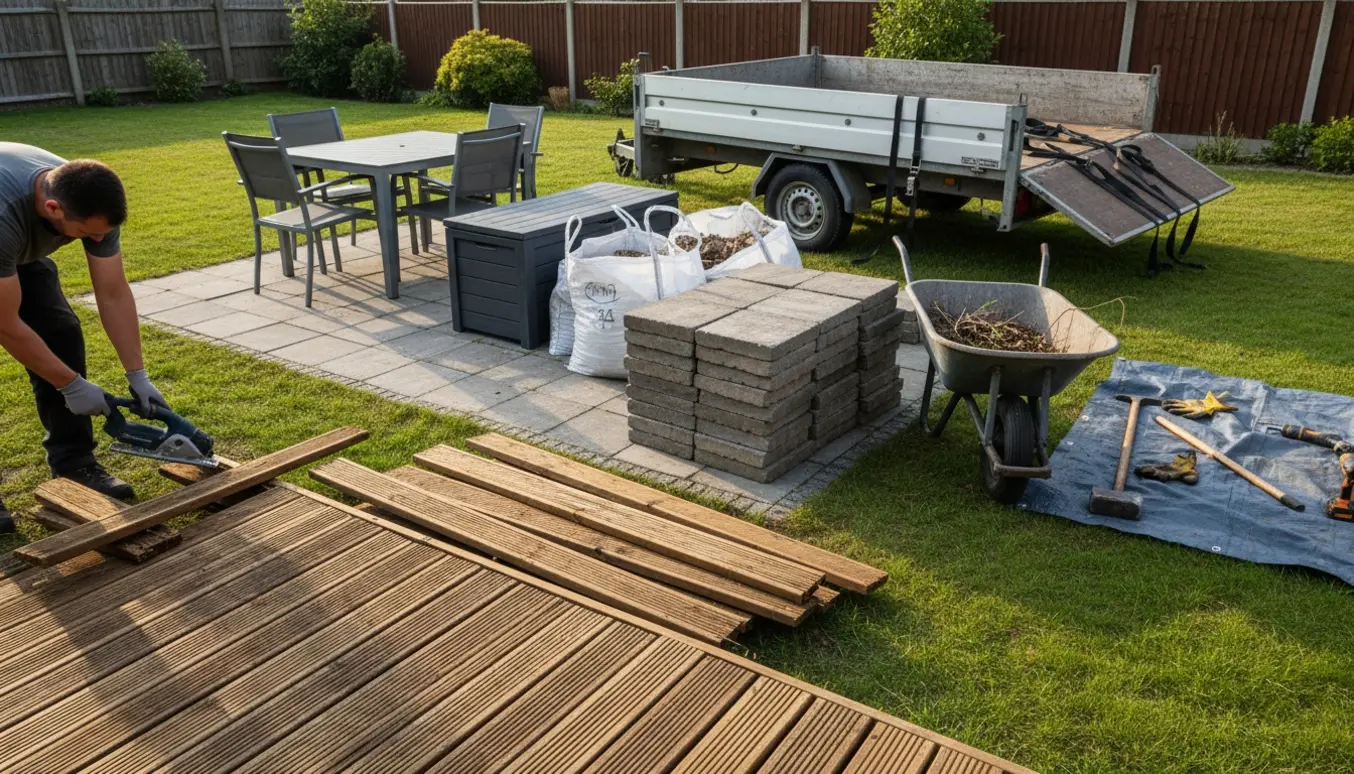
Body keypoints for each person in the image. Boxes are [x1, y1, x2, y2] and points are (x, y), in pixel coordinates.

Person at [0, 143, 168, 534]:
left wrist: (137, 374)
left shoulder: (91, 199)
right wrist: (71, 385)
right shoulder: (6, 215)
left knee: (61, 334)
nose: (97, 241)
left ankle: (74, 462)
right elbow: (6, 325)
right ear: (54, 210)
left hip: (13, 253)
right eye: (87, 235)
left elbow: (111, 291)